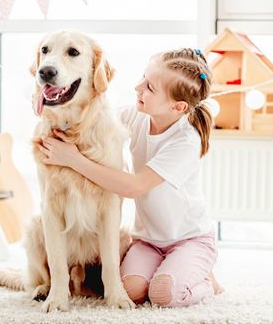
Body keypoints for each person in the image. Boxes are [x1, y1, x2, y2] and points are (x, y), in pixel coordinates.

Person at [35, 47, 223, 307]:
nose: (138, 87)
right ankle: (168, 268)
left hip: (188, 239)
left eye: (150, 87)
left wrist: (72, 159)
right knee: (131, 291)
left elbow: (134, 187)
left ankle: (206, 282)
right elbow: (96, 118)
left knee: (164, 294)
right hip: (147, 241)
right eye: (142, 78)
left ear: (177, 106)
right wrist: (55, 102)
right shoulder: (137, 115)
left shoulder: (186, 140)